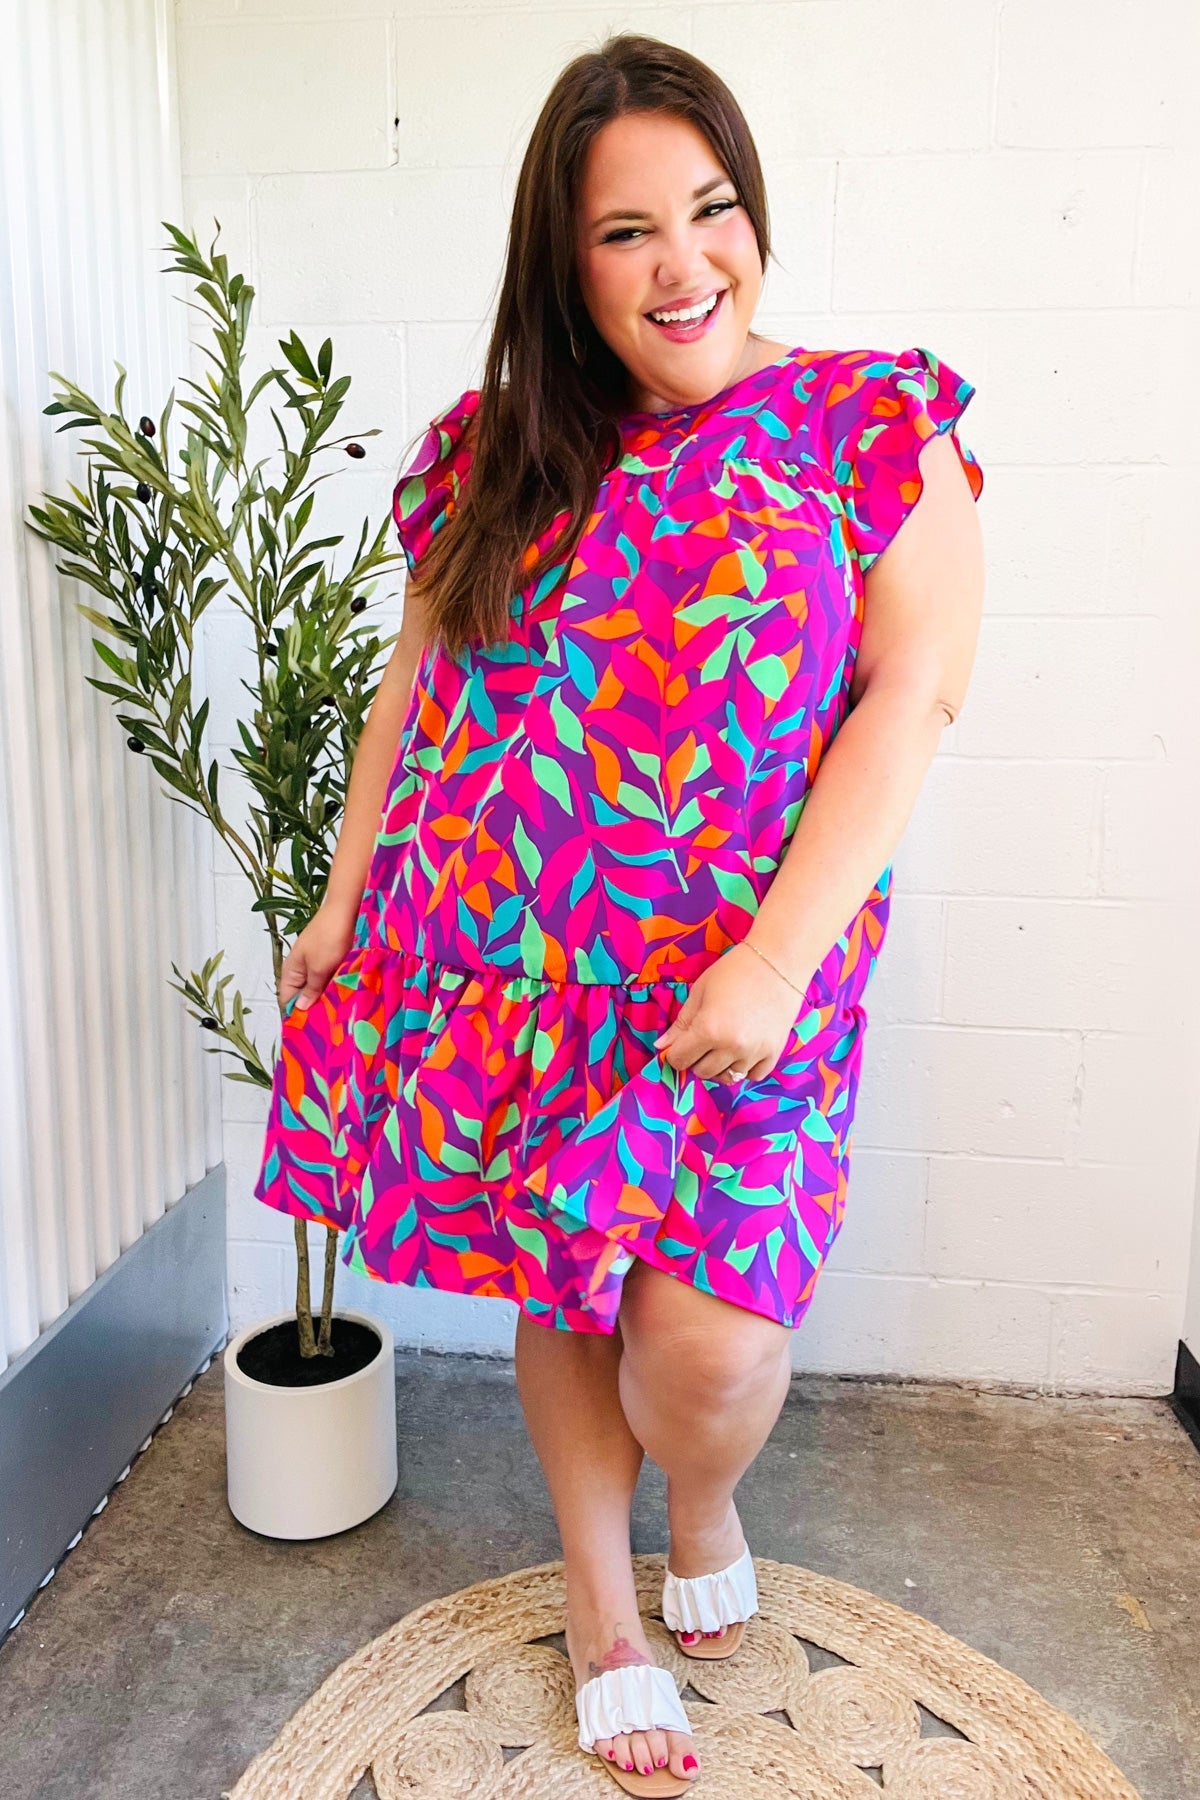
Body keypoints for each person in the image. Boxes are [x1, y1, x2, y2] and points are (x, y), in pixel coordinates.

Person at [253, 30, 985, 1796]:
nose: (685, 263)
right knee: (564, 1290)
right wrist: (344, 896)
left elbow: (912, 696)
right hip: (520, 963)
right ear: (564, 267)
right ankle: (602, 1602)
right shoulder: (497, 454)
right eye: (627, 231)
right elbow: (414, 687)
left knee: (706, 1352)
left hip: (747, 982)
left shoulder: (873, 423)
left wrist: (778, 957)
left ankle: (702, 1502)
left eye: (712, 209)